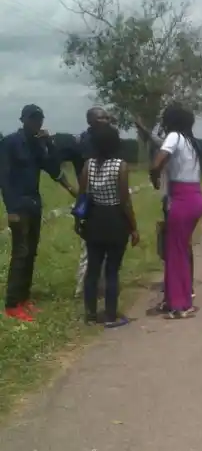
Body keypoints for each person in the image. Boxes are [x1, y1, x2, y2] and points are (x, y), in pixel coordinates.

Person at [0, 104, 77, 321]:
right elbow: (4, 178)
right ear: (23, 120)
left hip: (34, 204)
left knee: (31, 252)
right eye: (32, 119)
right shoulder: (10, 143)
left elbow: (53, 168)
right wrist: (11, 209)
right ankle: (12, 304)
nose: (36, 123)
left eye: (39, 119)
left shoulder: (37, 145)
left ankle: (24, 299)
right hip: (19, 206)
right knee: (21, 253)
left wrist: (49, 144)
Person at [77, 123, 139, 327]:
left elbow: (83, 195)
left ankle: (90, 314)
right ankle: (111, 314)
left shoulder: (89, 165)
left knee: (93, 269)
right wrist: (133, 227)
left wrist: (79, 219)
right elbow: (124, 200)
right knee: (112, 269)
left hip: (94, 218)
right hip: (114, 219)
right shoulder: (120, 165)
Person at [150, 103, 202, 319]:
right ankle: (178, 299)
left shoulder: (173, 137)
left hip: (181, 199)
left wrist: (153, 176)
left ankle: (179, 305)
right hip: (195, 197)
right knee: (181, 250)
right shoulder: (190, 141)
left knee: (174, 253)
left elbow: (159, 161)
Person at [62, 107, 113, 298]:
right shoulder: (85, 142)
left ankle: (100, 286)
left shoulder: (107, 139)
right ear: (91, 120)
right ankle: (83, 288)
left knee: (107, 246)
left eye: (107, 117)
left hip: (108, 197)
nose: (106, 120)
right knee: (89, 246)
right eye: (102, 117)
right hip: (90, 197)